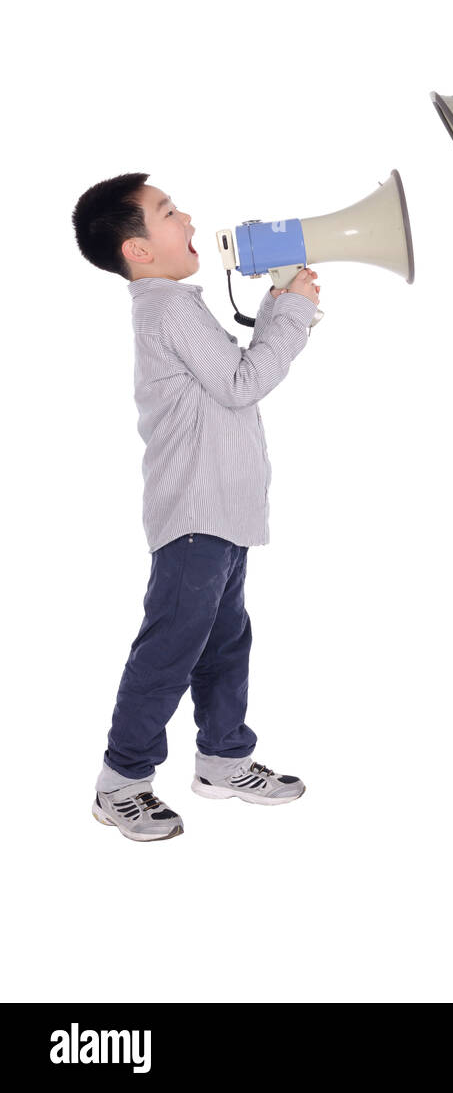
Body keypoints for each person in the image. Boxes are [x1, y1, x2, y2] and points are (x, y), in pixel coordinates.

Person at [72, 173, 320, 841]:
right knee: (171, 648)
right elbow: (246, 383)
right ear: (138, 250)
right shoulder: (165, 307)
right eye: (167, 212)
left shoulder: (176, 305)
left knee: (223, 640)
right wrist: (292, 311)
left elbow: (232, 372)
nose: (187, 218)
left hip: (221, 511)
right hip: (195, 516)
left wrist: (279, 300)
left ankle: (222, 758)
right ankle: (121, 782)